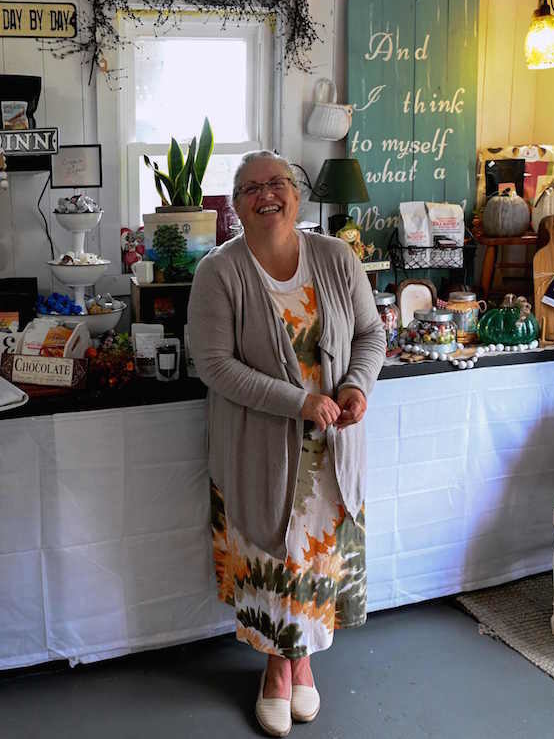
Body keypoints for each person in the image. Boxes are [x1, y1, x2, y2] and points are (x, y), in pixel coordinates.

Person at [188, 150, 386, 737]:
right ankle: (278, 671)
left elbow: (372, 334)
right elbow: (215, 366)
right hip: (258, 448)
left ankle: (300, 660)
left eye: (277, 183)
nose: (266, 194)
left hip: (333, 448)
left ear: (296, 194)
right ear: (235, 205)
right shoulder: (219, 273)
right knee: (273, 556)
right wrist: (297, 401)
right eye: (251, 187)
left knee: (314, 558)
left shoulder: (336, 257)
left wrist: (355, 385)